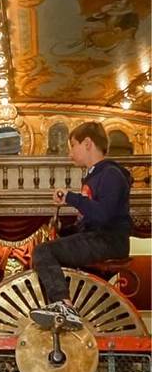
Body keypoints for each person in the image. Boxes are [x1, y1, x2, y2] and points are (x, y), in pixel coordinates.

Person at [29, 122, 131, 330]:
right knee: (48, 250)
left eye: (73, 146)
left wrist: (71, 197)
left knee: (43, 252)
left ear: (87, 143)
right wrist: (64, 230)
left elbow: (103, 215)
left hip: (109, 241)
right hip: (100, 238)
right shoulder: (95, 175)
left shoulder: (111, 174)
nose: (70, 154)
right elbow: (90, 220)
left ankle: (64, 307)